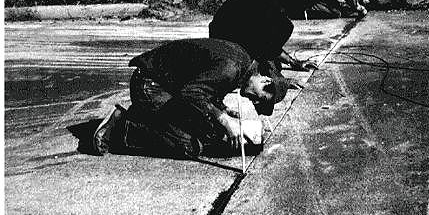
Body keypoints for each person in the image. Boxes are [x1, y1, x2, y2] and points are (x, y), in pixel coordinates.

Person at [93, 38, 289, 158]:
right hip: (150, 86)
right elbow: (192, 93)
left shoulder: (242, 63)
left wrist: (223, 109)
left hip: (165, 85)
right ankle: (122, 127)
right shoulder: (231, 68)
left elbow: (205, 86)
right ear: (264, 81)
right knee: (190, 144)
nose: (254, 103)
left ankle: (147, 118)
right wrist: (225, 120)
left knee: (209, 129)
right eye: (260, 99)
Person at [209, 0, 317, 72]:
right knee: (284, 27)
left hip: (231, 35)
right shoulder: (268, 5)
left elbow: (267, 43)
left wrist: (291, 61)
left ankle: (259, 60)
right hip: (224, 41)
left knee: (283, 28)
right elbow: (262, 41)